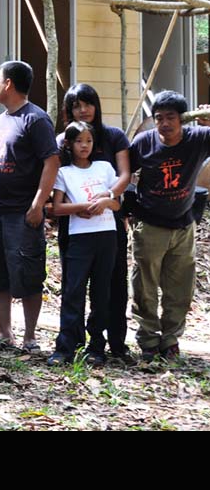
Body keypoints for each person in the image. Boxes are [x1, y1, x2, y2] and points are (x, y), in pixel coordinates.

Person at [0, 60, 59, 352]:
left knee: (28, 273)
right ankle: (5, 333)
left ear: (8, 83)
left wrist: (38, 204)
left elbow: (51, 162)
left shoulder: (36, 119)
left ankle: (30, 337)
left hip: (20, 212)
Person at [128, 91, 210, 362]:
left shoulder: (199, 138)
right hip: (150, 225)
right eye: (159, 118)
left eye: (171, 117)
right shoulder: (143, 142)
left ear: (183, 119)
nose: (164, 124)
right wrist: (129, 211)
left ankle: (171, 340)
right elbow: (125, 173)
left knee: (180, 288)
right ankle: (149, 340)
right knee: (145, 287)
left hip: (183, 226)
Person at [58, 83, 132, 362]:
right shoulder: (62, 141)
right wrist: (77, 206)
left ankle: (113, 344)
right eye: (76, 105)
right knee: (73, 286)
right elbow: (55, 180)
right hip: (75, 228)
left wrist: (109, 196)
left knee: (112, 285)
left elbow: (124, 175)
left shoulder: (113, 137)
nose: (83, 110)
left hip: (109, 224)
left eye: (88, 103)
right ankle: (71, 344)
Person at [48, 121, 121, 367]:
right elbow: (57, 207)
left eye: (88, 141)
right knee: (73, 291)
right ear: (69, 144)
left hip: (106, 235)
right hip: (79, 237)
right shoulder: (64, 172)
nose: (84, 146)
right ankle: (65, 347)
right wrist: (82, 207)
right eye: (79, 141)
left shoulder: (104, 168)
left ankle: (96, 347)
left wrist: (106, 201)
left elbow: (117, 204)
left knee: (101, 292)